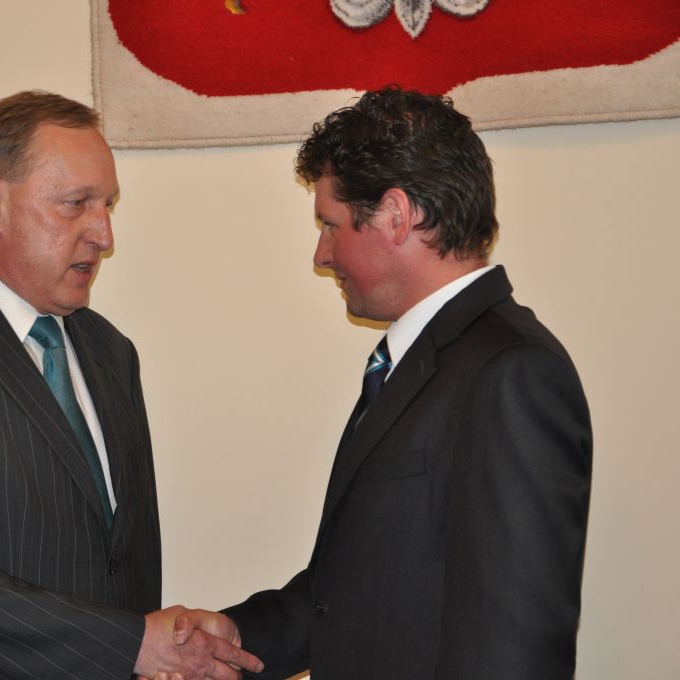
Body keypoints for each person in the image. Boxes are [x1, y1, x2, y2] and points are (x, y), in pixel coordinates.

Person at [0, 91, 262, 680]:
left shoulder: (110, 351)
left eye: (107, 205)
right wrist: (134, 646)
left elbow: (117, 565)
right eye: (75, 204)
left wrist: (152, 651)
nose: (104, 234)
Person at [175, 87, 593, 678]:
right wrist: (238, 637)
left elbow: (515, 645)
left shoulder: (512, 372)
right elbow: (357, 590)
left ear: (396, 214)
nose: (321, 255)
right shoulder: (423, 362)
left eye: (331, 225)